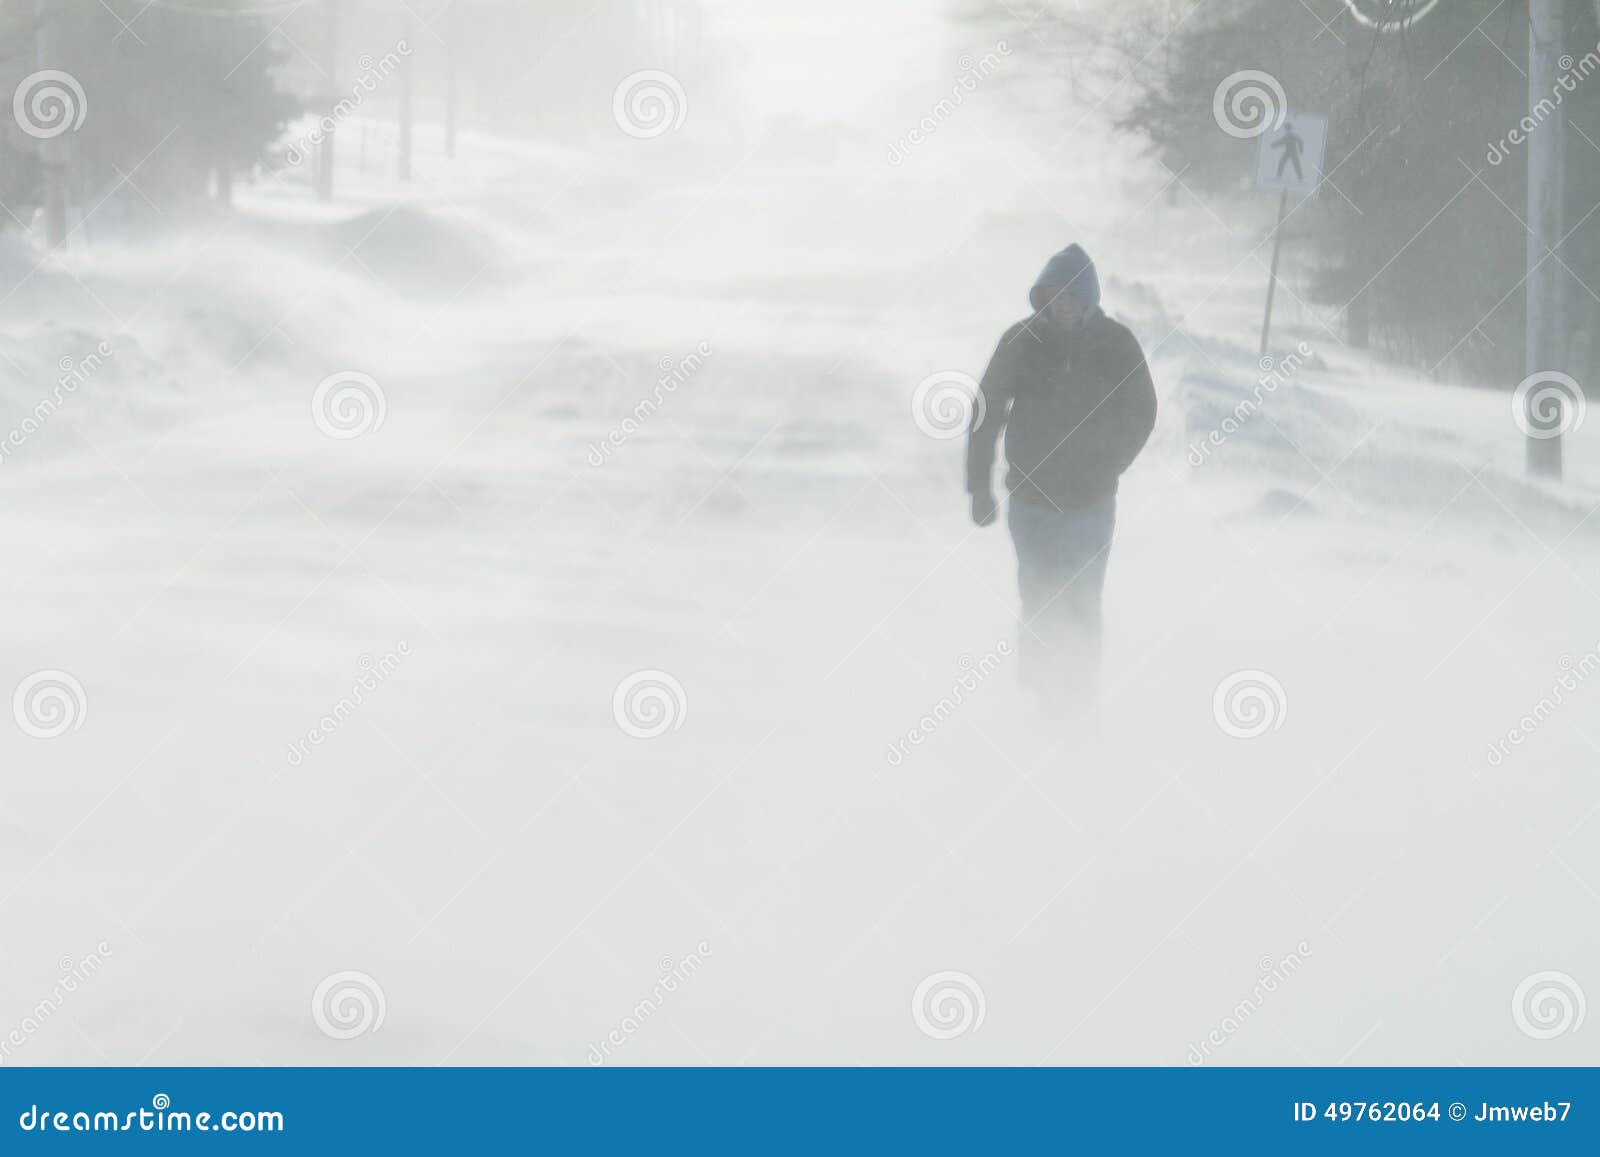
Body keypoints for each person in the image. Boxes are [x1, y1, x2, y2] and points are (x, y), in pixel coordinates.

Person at [966, 244, 1156, 699]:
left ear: (1088, 297)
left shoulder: (1115, 344)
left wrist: (1110, 462)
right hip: (1032, 502)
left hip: (1091, 504)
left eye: (1072, 295)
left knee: (1082, 599)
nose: (1063, 304)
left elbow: (1142, 410)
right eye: (1055, 295)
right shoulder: (1021, 342)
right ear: (1044, 296)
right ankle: (1041, 693)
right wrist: (979, 486)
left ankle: (1079, 693)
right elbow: (985, 410)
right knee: (1038, 596)